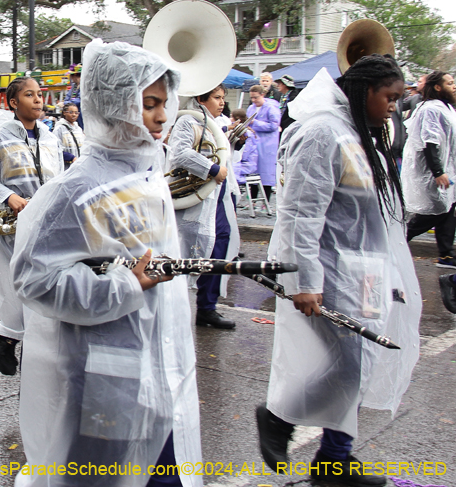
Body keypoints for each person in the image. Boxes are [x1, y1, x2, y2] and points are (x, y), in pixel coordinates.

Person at [10, 39, 201, 487]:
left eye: (163, 103)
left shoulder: (149, 176)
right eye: (147, 103)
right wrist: (125, 286)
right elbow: (33, 279)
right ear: (113, 104)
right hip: (106, 375)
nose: (160, 117)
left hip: (160, 366)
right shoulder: (74, 191)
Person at [256, 57, 421, 487]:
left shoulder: (359, 134)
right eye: (390, 97)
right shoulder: (323, 133)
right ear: (365, 91)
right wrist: (306, 282)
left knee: (359, 365)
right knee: (348, 364)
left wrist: (391, 279)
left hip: (361, 275)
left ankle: (335, 460)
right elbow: (299, 217)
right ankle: (279, 419)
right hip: (328, 273)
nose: (393, 107)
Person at [0, 77, 62, 376]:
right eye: (29, 95)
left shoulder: (49, 138)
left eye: (40, 94)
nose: (37, 100)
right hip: (10, 226)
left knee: (42, 291)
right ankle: (9, 338)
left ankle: (12, 341)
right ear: (13, 103)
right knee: (16, 289)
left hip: (43, 224)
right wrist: (9, 196)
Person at [168, 85, 240, 330]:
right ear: (200, 99)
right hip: (195, 197)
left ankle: (207, 307)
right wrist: (211, 169)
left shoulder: (213, 123)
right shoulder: (188, 120)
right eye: (217, 98)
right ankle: (182, 312)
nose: (222, 102)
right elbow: (179, 153)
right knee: (189, 253)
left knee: (219, 247)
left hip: (217, 197)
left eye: (223, 97)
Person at [402, 71, 456, 268]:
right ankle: (397, 240)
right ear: (438, 87)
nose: (454, 86)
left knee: (448, 210)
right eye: (450, 83)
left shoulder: (446, 107)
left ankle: (447, 255)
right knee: (435, 212)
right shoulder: (431, 109)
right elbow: (429, 142)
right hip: (432, 173)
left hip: (447, 169)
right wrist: (438, 171)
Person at [246, 84, 281, 202]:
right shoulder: (251, 108)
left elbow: (274, 125)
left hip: (267, 146)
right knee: (253, 172)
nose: (254, 100)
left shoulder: (271, 108)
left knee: (266, 174)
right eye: (252, 98)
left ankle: (265, 202)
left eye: (256, 97)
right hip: (254, 144)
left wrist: (255, 123)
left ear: (262, 95)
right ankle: (253, 200)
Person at [230, 109, 259, 185]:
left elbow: (245, 155)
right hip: (243, 162)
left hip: (246, 164)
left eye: (231, 117)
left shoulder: (247, 134)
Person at [52, 102, 84, 169]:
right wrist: (70, 157)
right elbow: (55, 148)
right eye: (71, 112)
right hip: (66, 166)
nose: (74, 115)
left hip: (79, 165)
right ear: (64, 113)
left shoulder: (78, 129)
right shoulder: (59, 129)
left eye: (76, 113)